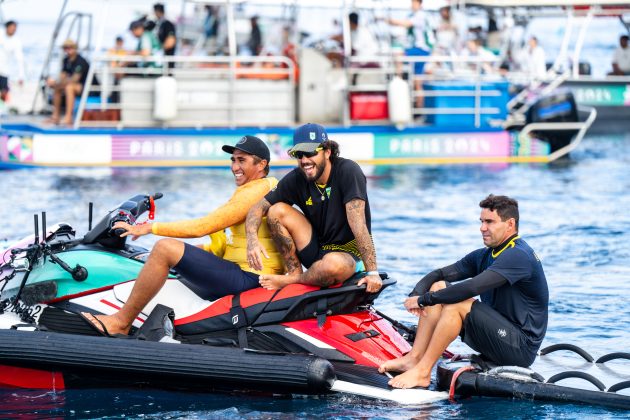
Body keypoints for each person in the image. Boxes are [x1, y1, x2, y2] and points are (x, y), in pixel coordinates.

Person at [82, 136, 284, 336]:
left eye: (242, 160)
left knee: (164, 248)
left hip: (251, 278)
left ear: (262, 164)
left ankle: (121, 322)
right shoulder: (255, 188)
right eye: (233, 160)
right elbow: (230, 239)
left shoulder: (255, 191)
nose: (234, 167)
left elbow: (203, 226)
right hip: (241, 272)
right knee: (177, 256)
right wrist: (198, 253)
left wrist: (149, 228)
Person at [379, 194, 548, 389]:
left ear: (510, 224)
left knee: (457, 304)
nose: (482, 228)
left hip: (520, 348)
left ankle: (423, 373)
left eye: (490, 222)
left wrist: (425, 300)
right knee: (439, 286)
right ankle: (414, 359)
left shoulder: (518, 255)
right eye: (482, 221)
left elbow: (472, 287)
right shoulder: (487, 254)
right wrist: (416, 295)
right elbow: (439, 274)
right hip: (496, 336)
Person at [245, 123, 382, 294]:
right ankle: (295, 272)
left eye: (310, 153)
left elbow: (359, 225)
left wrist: (373, 272)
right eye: (299, 154)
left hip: (347, 256)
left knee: (333, 265)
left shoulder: (348, 171)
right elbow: (258, 207)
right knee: (276, 210)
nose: (304, 161)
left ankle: (290, 281)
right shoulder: (297, 178)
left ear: (327, 151)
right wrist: (252, 240)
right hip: (317, 250)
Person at [46, 39, 90, 125]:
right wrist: (55, 82)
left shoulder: (80, 61)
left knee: (69, 87)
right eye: (66, 48)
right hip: (75, 85)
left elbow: (75, 79)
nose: (68, 50)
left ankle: (68, 117)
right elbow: (62, 76)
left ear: (75, 48)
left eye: (70, 48)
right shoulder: (66, 60)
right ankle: (55, 116)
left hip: (87, 87)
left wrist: (58, 82)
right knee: (57, 87)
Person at [386, 0, 433, 75]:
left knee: (399, 55)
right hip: (415, 48)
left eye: (414, 3)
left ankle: (399, 79)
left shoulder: (420, 15)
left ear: (420, 4)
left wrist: (392, 21)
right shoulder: (412, 15)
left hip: (421, 49)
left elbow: (406, 24)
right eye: (412, 3)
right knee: (417, 76)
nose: (412, 5)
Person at [0, 20, 26, 103]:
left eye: (15, 29)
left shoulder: (16, 42)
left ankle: (1, 110)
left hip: (4, 71)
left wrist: (21, 76)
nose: (13, 30)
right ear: (7, 27)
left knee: (4, 93)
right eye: (11, 28)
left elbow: (20, 59)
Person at [153, 3, 177, 68]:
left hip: (166, 60)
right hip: (160, 60)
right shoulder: (158, 24)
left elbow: (170, 42)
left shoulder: (168, 24)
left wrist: (156, 50)